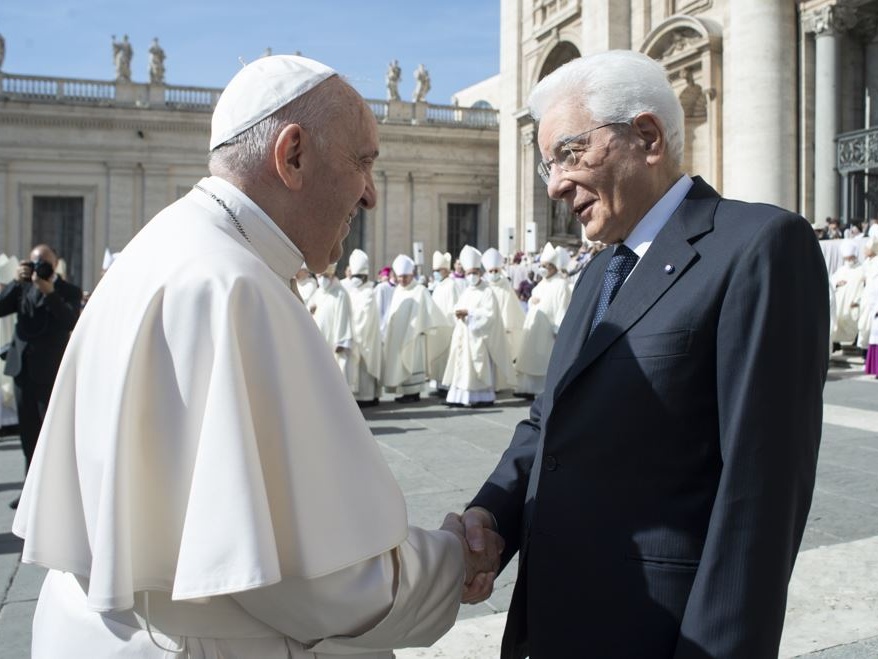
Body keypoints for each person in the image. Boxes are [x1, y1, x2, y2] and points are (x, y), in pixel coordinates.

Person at [12, 55, 503, 658]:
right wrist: (454, 560)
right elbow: (326, 585)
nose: (370, 194)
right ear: (292, 155)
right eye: (363, 162)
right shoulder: (232, 286)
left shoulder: (170, 244)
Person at [459, 50, 829, 659]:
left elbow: (759, 501)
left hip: (656, 635)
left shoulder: (758, 248)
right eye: (546, 164)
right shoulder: (598, 272)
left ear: (647, 137)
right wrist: (490, 518)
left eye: (569, 154)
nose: (553, 184)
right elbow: (547, 425)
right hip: (551, 626)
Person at [0, 245, 82, 510]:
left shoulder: (68, 291)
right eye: (34, 263)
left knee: (50, 435)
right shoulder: (22, 287)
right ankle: (29, 492)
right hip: (23, 370)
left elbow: (71, 321)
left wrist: (50, 294)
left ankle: (53, 493)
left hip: (49, 374)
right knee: (28, 434)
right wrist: (15, 281)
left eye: (44, 263)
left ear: (55, 264)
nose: (39, 268)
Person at [441, 245, 513, 408]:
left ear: (480, 273)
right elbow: (458, 306)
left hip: (478, 337)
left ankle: (482, 397)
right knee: (462, 368)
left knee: (476, 367)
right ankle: (459, 397)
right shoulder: (467, 291)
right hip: (463, 335)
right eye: (468, 273)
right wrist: (458, 312)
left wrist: (470, 314)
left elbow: (490, 315)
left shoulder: (487, 291)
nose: (471, 276)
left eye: (474, 272)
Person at [382, 254, 451, 403]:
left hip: (414, 337)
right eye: (400, 277)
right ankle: (404, 392)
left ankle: (413, 393)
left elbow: (430, 311)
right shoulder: (397, 291)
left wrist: (423, 327)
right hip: (398, 337)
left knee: (413, 364)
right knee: (400, 364)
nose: (403, 280)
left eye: (405, 276)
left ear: (411, 274)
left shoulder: (420, 290)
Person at [512, 242, 571, 398]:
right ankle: (526, 388)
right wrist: (532, 302)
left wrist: (558, 329)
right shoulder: (540, 284)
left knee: (544, 360)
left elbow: (562, 307)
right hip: (533, 327)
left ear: (553, 266)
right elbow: (533, 300)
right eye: (542, 265)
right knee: (529, 357)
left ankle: (541, 390)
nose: (543, 268)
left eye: (546, 265)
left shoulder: (561, 284)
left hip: (548, 329)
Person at [308, 263, 355, 387]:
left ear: (332, 275)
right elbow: (311, 310)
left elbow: (343, 318)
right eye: (319, 276)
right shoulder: (318, 293)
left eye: (325, 275)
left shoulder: (340, 294)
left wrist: (341, 342)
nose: (321, 279)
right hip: (319, 341)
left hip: (334, 344)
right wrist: (310, 310)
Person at [346, 249, 383, 407]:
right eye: (354, 276)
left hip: (365, 337)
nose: (356, 279)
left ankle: (368, 397)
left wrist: (355, 333)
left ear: (365, 276)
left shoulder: (369, 292)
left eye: (358, 277)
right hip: (354, 334)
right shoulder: (350, 291)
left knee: (365, 370)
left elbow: (365, 317)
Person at [481, 247, 525, 378]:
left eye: (496, 270)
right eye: (491, 271)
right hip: (486, 327)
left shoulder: (505, 285)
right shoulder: (483, 286)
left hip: (502, 328)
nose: (494, 273)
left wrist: (506, 325)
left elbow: (510, 305)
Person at [427, 250, 458, 396]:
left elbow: (453, 306)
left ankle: (447, 386)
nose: (435, 273)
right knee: (438, 359)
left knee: (446, 358)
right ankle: (439, 385)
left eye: (437, 270)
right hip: (437, 327)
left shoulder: (451, 285)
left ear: (445, 270)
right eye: (434, 271)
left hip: (448, 326)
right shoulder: (438, 285)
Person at [830, 240, 866, 348]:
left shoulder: (861, 269)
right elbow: (832, 282)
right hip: (840, 304)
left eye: (851, 258)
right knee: (838, 322)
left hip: (854, 303)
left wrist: (858, 300)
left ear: (855, 257)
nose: (849, 260)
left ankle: (856, 340)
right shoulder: (841, 270)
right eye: (847, 258)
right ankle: (836, 343)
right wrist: (837, 283)